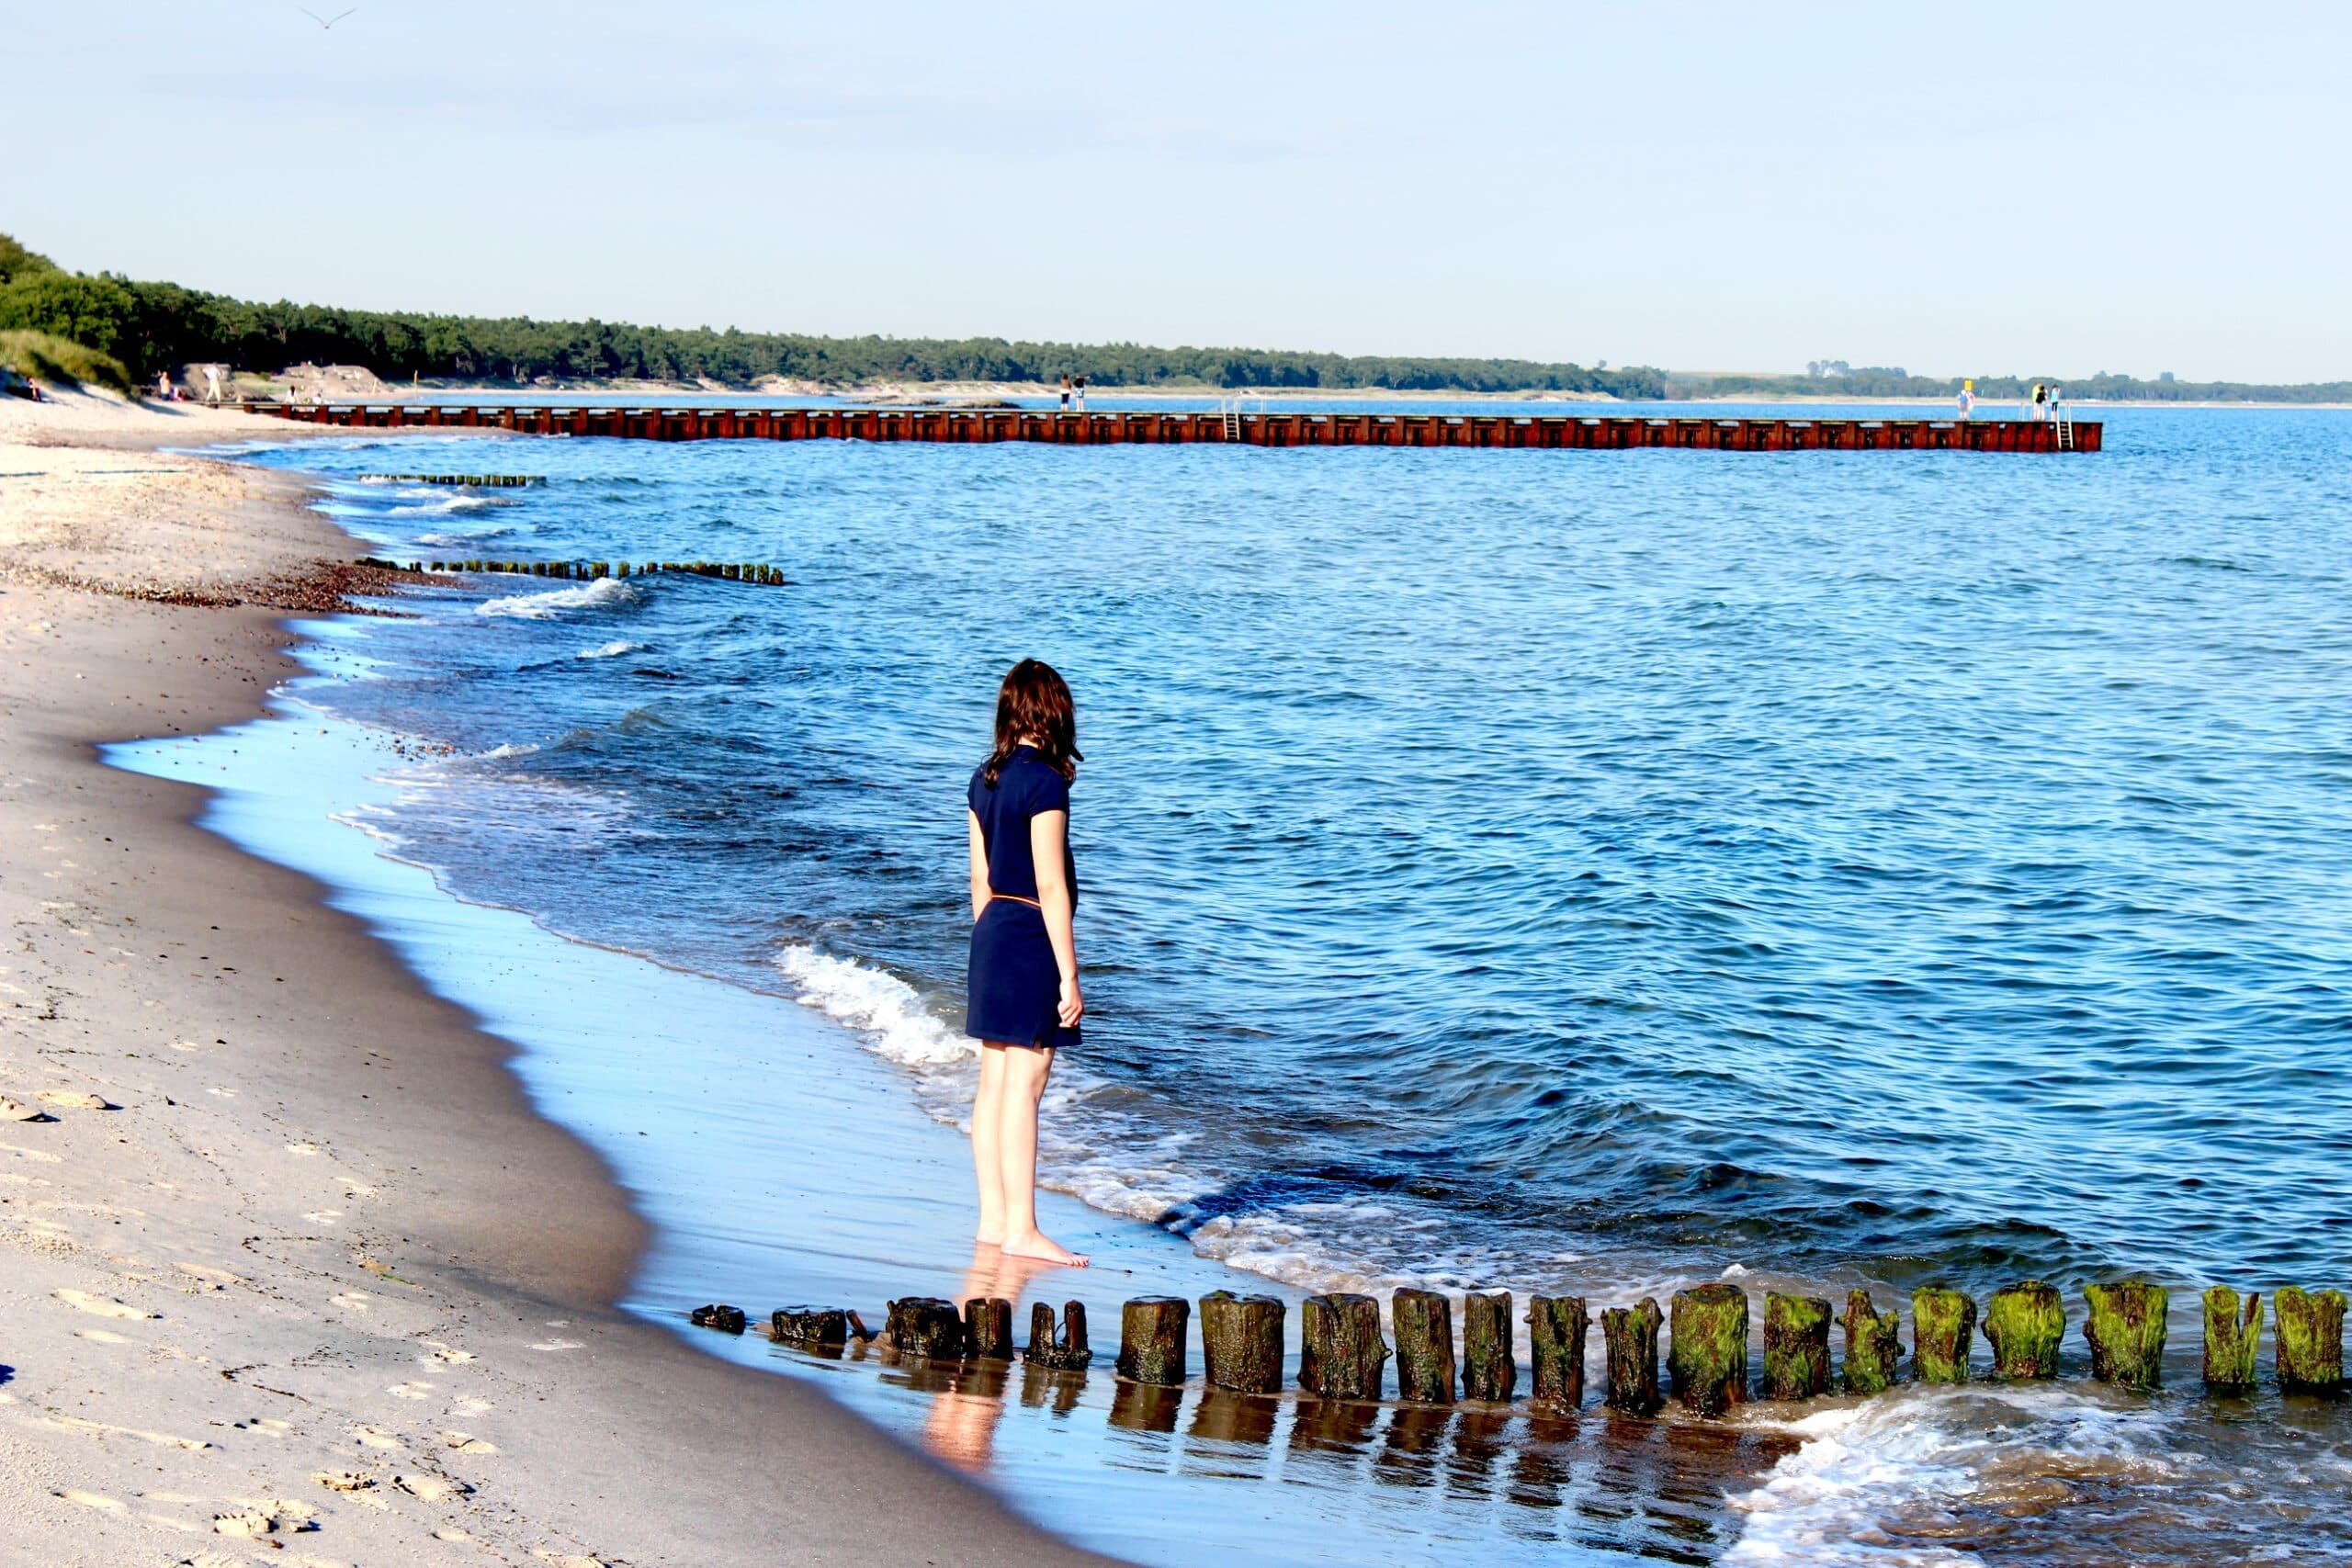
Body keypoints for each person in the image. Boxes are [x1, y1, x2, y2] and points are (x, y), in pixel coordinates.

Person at [965, 659, 1088, 1267]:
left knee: (992, 1087)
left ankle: (994, 1219)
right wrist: (1068, 972)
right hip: (1030, 935)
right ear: (1054, 712)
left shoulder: (982, 779)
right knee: (1026, 1087)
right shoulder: (1045, 783)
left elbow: (979, 882)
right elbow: (1051, 884)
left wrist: (988, 944)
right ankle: (1024, 1227)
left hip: (990, 933)